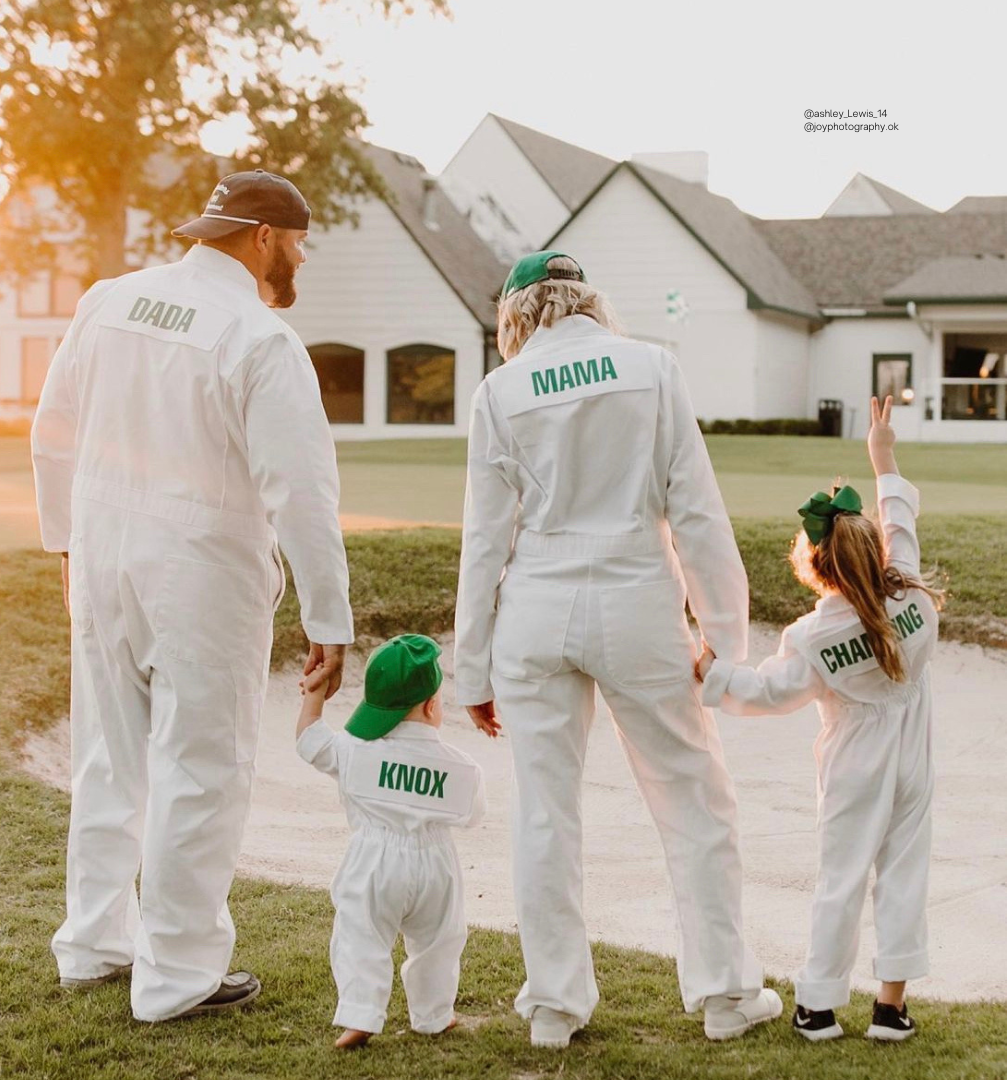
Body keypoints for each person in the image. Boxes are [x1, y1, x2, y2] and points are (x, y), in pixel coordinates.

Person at [31, 169, 354, 1022]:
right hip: (202, 569)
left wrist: (65, 543)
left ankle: (95, 944)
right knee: (201, 768)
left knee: (105, 752)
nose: (298, 262)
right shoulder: (259, 336)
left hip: (103, 557)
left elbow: (50, 431)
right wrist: (329, 616)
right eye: (297, 246)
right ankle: (176, 975)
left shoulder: (109, 300)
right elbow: (302, 493)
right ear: (262, 239)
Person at [454, 250, 779, 1047]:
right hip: (637, 599)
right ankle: (726, 994)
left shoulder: (501, 389)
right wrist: (725, 641)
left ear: (519, 313)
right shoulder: (650, 367)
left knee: (543, 814)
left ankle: (555, 1007)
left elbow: (484, 541)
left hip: (536, 610)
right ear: (586, 301)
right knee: (694, 800)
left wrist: (472, 665)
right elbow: (697, 511)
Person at [699, 396, 942, 1042]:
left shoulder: (813, 638)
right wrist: (882, 452)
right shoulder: (910, 589)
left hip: (855, 765)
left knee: (842, 877)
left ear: (815, 566)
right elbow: (898, 513)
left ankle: (819, 1006)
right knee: (904, 870)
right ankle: (890, 1010)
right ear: (872, 550)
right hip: (912, 756)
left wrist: (711, 674)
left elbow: (764, 692)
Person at [296, 635, 486, 1049]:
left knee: (360, 936)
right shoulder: (459, 767)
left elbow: (309, 741)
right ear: (433, 707)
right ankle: (434, 1015)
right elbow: (473, 814)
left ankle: (361, 1015)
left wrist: (313, 694)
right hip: (436, 865)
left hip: (374, 860)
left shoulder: (353, 750)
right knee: (439, 942)